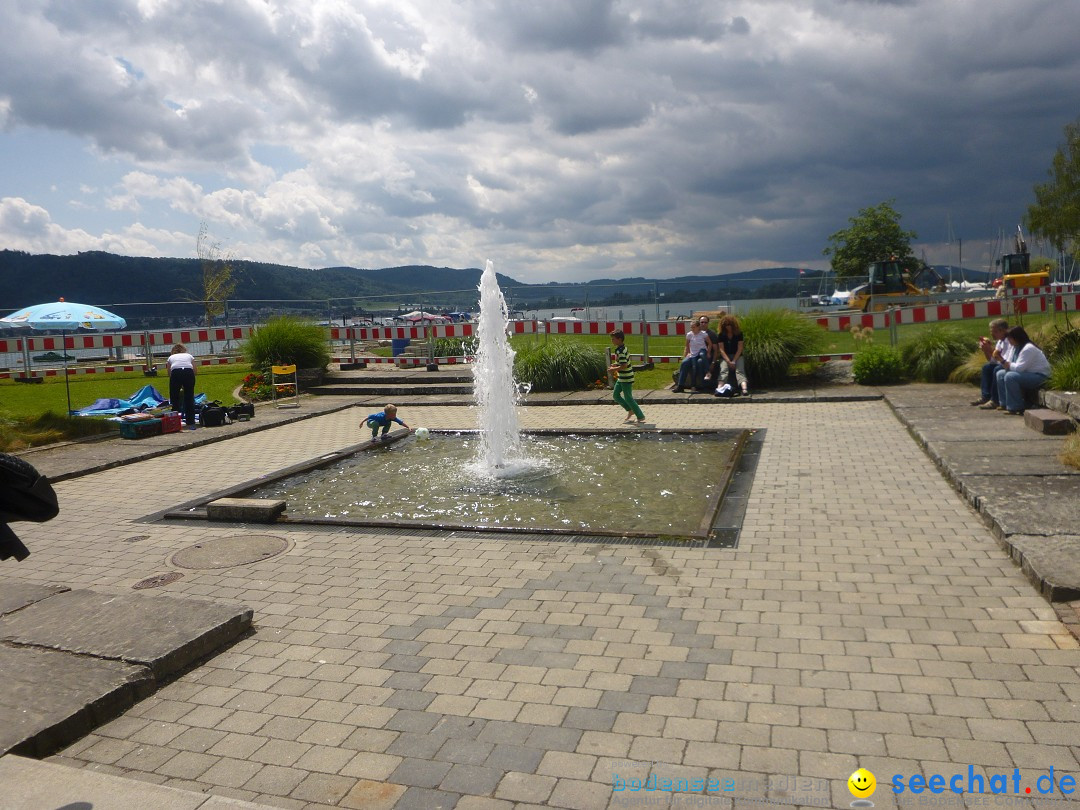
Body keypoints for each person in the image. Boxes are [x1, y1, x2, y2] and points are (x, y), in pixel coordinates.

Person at [993, 326, 1051, 415]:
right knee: (1000, 374)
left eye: (1010, 338)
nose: (1009, 341)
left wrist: (1003, 361)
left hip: (1039, 376)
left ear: (1017, 337)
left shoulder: (1028, 348)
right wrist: (1001, 360)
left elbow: (1019, 368)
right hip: (1027, 374)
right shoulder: (1015, 347)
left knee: (1010, 376)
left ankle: (1015, 406)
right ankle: (1004, 403)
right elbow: (1009, 362)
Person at [971, 318, 1014, 408]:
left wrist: (990, 350)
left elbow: (1005, 360)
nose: (991, 334)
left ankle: (995, 400)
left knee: (997, 369)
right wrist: (986, 351)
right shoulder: (1000, 342)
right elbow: (993, 361)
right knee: (987, 367)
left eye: (994, 331)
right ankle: (986, 396)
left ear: (1002, 331)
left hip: (1011, 364)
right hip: (1003, 363)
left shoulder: (1010, 341)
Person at [609, 330, 645, 424]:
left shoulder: (621, 351)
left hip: (626, 377)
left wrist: (614, 369)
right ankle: (630, 410)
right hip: (622, 377)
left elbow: (624, 365)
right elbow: (622, 362)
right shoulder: (621, 348)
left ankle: (640, 416)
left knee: (628, 397)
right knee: (616, 395)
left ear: (619, 339)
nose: (612, 341)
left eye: (613, 339)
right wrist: (615, 365)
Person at [672, 319, 712, 392]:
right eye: (691, 327)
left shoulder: (703, 334)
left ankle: (704, 383)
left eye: (693, 327)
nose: (692, 329)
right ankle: (680, 385)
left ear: (698, 327)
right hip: (693, 354)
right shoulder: (689, 334)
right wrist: (686, 354)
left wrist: (708, 353)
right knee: (684, 363)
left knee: (700, 362)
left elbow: (709, 343)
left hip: (701, 352)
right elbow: (687, 345)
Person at [166, 344, 197, 430]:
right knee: (189, 397)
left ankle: (175, 421)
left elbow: (169, 372)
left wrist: (175, 382)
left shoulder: (171, 358)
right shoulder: (189, 356)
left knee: (174, 397)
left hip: (176, 372)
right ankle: (190, 422)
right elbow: (195, 370)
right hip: (188, 372)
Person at [717, 315, 748, 396]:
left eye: (730, 325)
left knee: (740, 370)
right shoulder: (721, 335)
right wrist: (728, 361)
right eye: (726, 325)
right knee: (723, 370)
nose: (728, 327)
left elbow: (740, 348)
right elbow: (721, 350)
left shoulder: (739, 334)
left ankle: (744, 388)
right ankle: (719, 388)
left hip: (737, 355)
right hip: (725, 356)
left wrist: (734, 360)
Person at [697, 315, 720, 391]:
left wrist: (713, 362)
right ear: (699, 323)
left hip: (709, 356)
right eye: (701, 322)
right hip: (697, 354)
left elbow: (716, 350)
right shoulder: (696, 333)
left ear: (708, 323)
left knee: (700, 362)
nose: (703, 324)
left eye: (705, 322)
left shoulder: (711, 334)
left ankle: (705, 385)